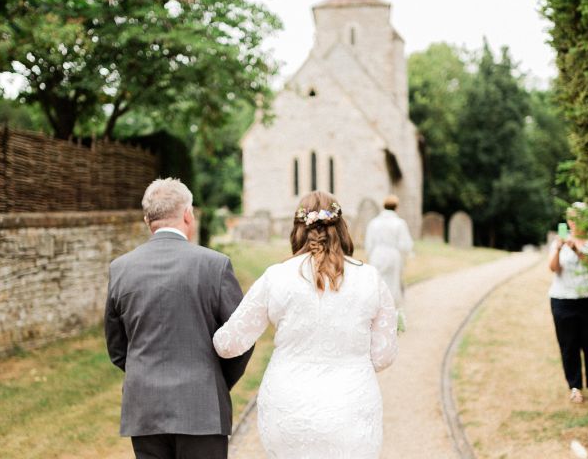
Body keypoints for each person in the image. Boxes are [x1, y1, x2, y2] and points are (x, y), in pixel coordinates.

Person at [213, 191, 398, 458]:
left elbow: (228, 344)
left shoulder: (276, 276)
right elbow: (384, 356)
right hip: (351, 406)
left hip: (288, 408)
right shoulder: (370, 278)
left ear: (299, 228)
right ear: (341, 227)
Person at [104, 178, 253, 459]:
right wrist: (214, 380)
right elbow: (240, 339)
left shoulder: (120, 269)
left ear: (148, 218)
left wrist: (148, 375)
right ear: (188, 214)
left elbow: (117, 347)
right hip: (203, 407)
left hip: (145, 408)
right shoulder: (215, 265)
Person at [548, 201, 588, 405]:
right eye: (571, 218)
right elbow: (553, 268)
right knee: (569, 345)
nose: (573, 222)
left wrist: (577, 250)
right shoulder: (560, 242)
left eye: (578, 218)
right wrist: (557, 249)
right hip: (563, 301)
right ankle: (575, 387)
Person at [365, 195, 414, 307]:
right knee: (392, 284)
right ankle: (391, 311)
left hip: (376, 254)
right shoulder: (399, 223)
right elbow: (405, 245)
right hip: (392, 254)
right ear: (396, 207)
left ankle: (377, 308)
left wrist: (370, 254)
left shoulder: (374, 222)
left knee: (377, 283)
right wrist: (406, 255)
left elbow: (368, 243)